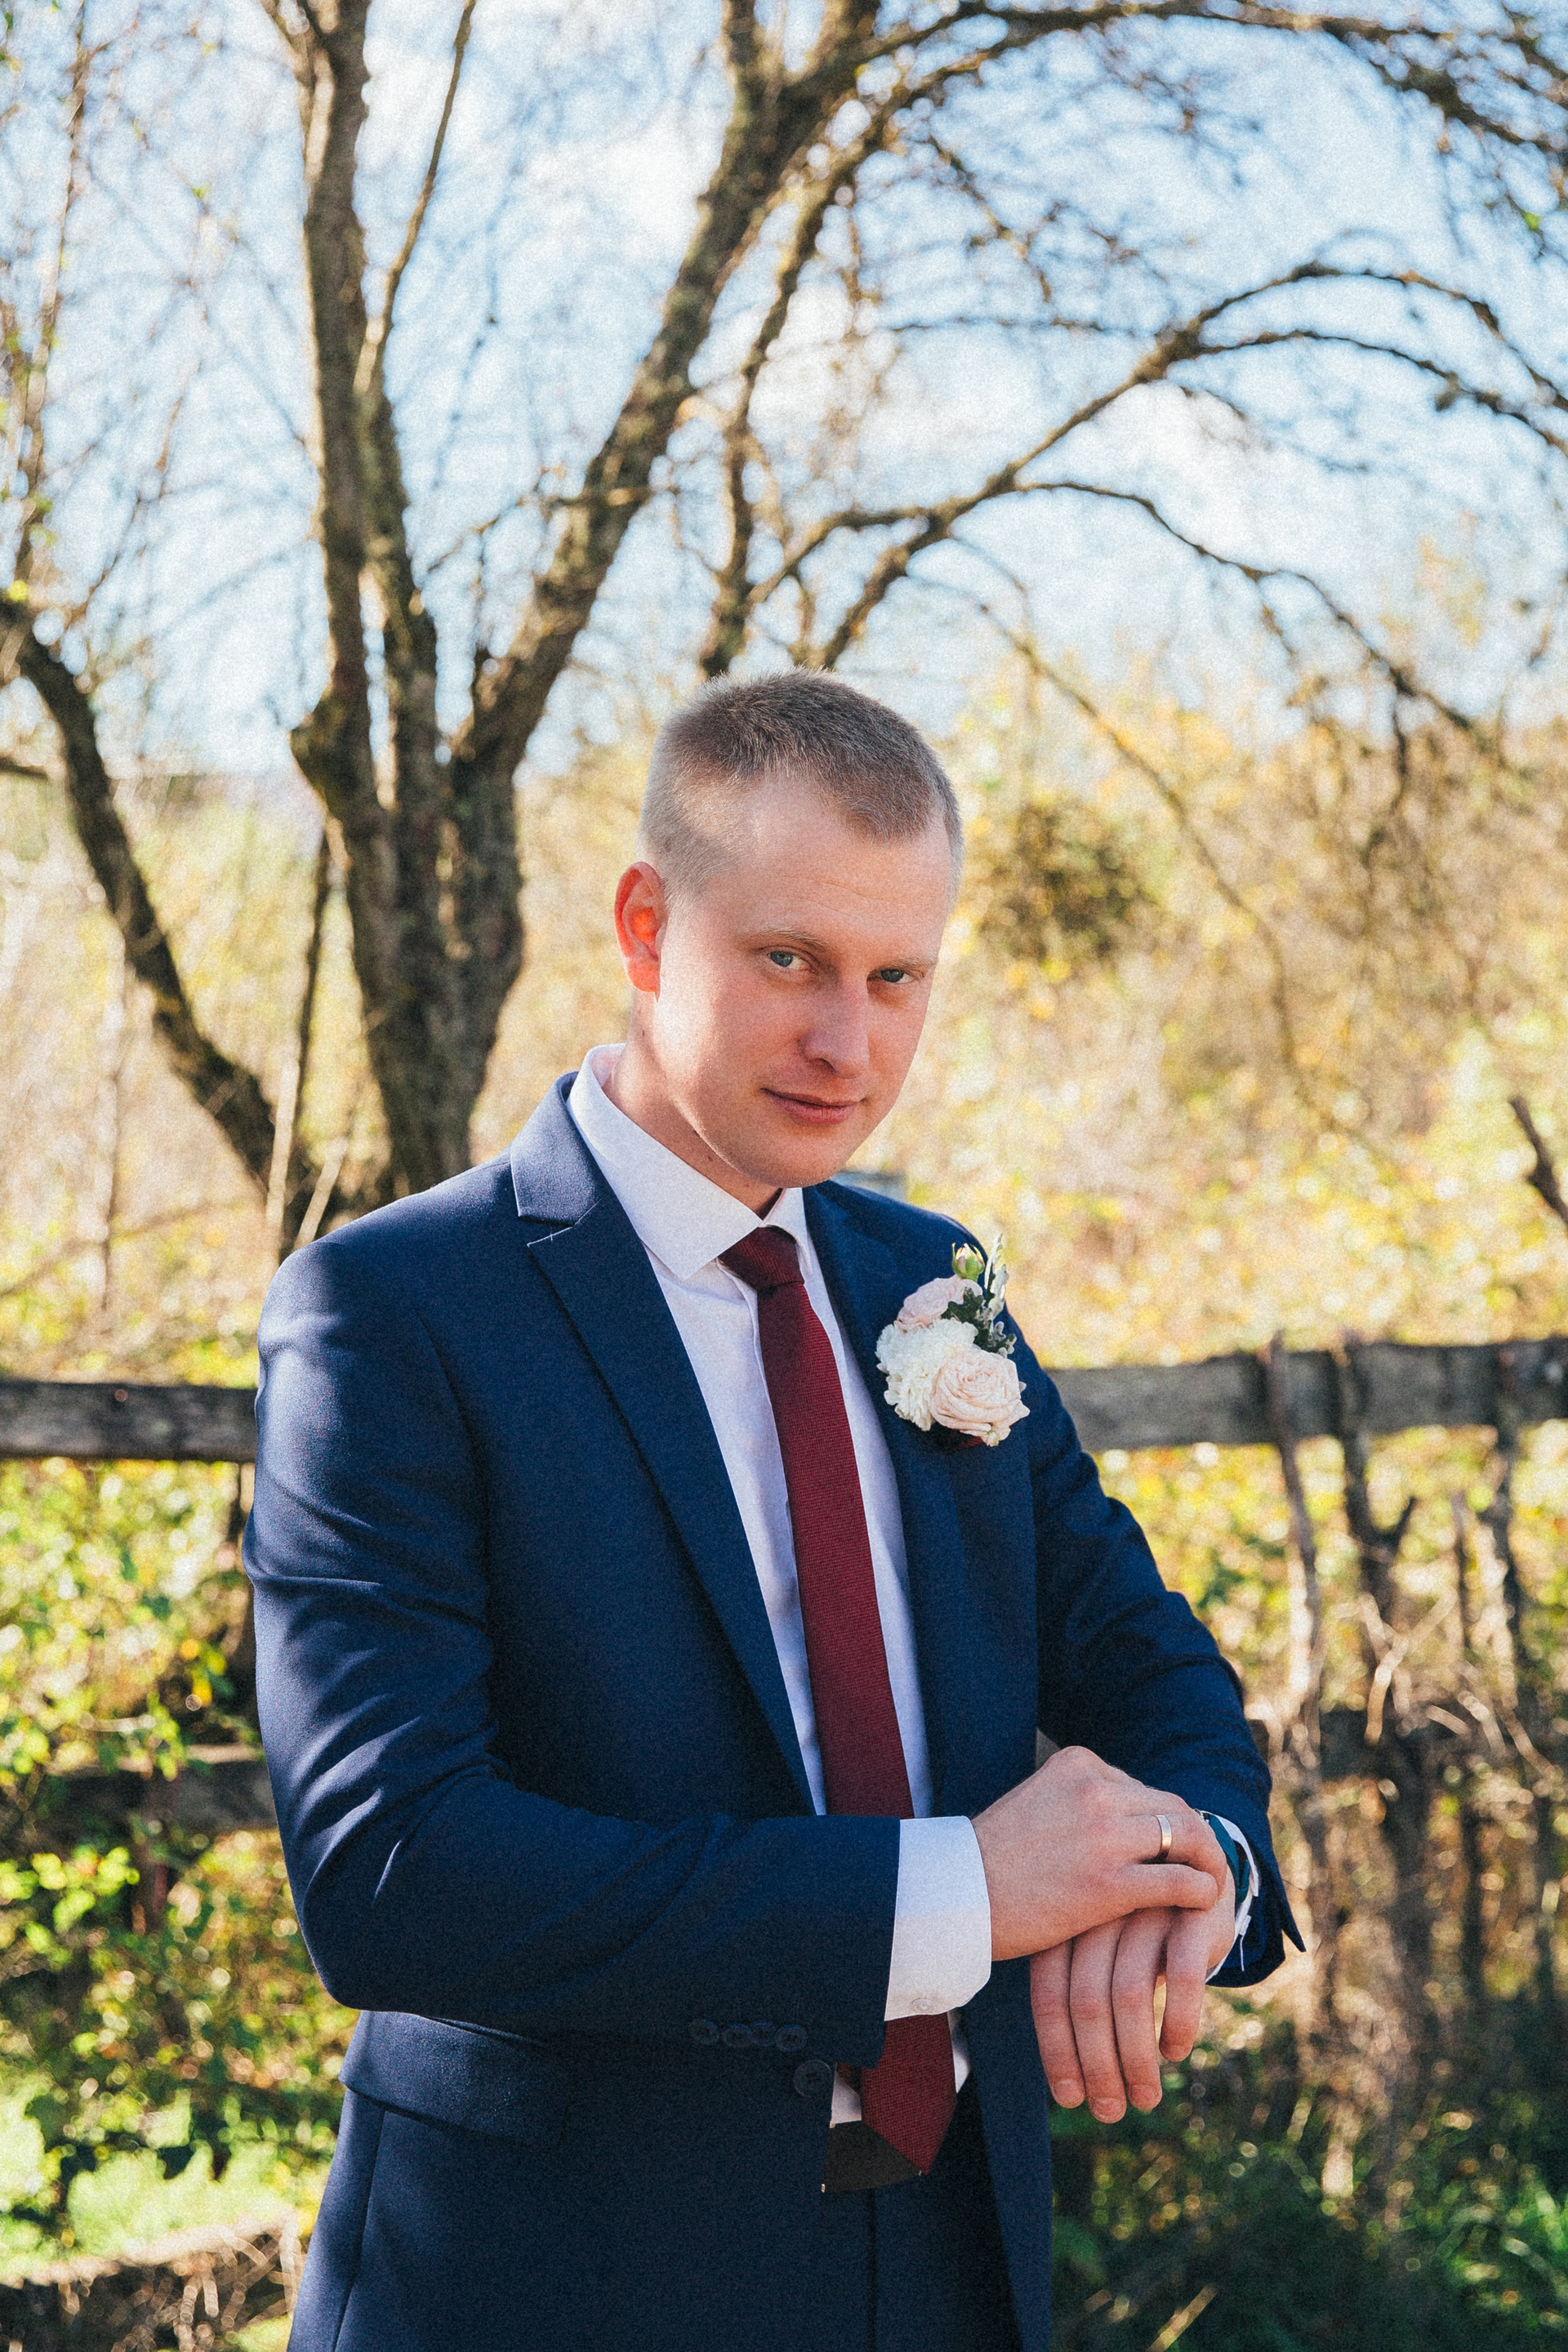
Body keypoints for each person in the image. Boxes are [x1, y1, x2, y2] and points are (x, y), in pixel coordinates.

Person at [247, 671, 1294, 2352]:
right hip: (557, 2283)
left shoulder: (932, 1283)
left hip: (955, 2258)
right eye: (791, 959)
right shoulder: (394, 1311)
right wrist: (961, 1896)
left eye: (897, 978)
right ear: (646, 926)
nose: (848, 1043)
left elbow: (1148, 1665)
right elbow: (394, 1870)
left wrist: (1197, 1873)